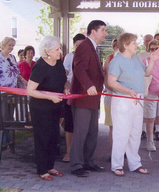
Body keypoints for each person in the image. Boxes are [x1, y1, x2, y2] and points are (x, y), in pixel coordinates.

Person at [108, 32, 159, 176]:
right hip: (123, 100)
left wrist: (153, 61)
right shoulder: (116, 60)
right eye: (134, 43)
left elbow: (146, 73)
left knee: (135, 133)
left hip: (138, 99)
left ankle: (134, 163)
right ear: (125, 45)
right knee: (121, 133)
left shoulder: (136, 58)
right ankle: (117, 165)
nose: (137, 45)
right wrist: (127, 90)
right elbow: (111, 82)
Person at [27, 36, 68, 181]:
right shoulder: (40, 66)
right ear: (47, 51)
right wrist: (50, 97)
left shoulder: (58, 63)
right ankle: (42, 169)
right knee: (42, 138)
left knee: (53, 137)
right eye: (57, 49)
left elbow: (64, 81)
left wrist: (66, 88)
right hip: (40, 108)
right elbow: (30, 91)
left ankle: (50, 166)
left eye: (60, 48)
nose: (60, 51)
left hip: (55, 107)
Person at [68, 20, 106, 177]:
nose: (105, 33)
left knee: (92, 132)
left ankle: (88, 162)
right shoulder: (84, 46)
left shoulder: (94, 48)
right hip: (83, 99)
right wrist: (89, 85)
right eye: (102, 30)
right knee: (81, 133)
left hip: (93, 99)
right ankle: (76, 165)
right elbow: (79, 69)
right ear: (93, 32)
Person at [0, 37, 23, 145]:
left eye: (13, 45)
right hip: (1, 93)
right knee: (1, 116)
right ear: (4, 45)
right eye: (9, 45)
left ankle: (8, 138)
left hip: (12, 92)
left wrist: (24, 81)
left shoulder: (13, 57)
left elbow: (17, 73)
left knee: (9, 116)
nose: (11, 47)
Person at [62, 33, 86, 163]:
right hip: (70, 94)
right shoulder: (68, 57)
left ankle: (80, 152)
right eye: (77, 45)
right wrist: (68, 87)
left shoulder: (88, 56)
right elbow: (64, 76)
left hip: (83, 95)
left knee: (82, 124)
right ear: (73, 45)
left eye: (82, 45)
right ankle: (69, 151)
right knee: (69, 123)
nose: (79, 47)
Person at [103, 38, 118, 161]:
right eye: (116, 46)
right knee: (112, 126)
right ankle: (113, 152)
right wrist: (112, 88)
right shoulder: (109, 58)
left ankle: (123, 151)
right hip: (110, 95)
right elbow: (106, 75)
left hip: (123, 96)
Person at [138, 34, 153, 140]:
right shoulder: (139, 55)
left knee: (151, 116)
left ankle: (151, 137)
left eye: (150, 40)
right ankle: (141, 131)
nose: (148, 43)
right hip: (142, 88)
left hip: (155, 89)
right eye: (146, 41)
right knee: (140, 112)